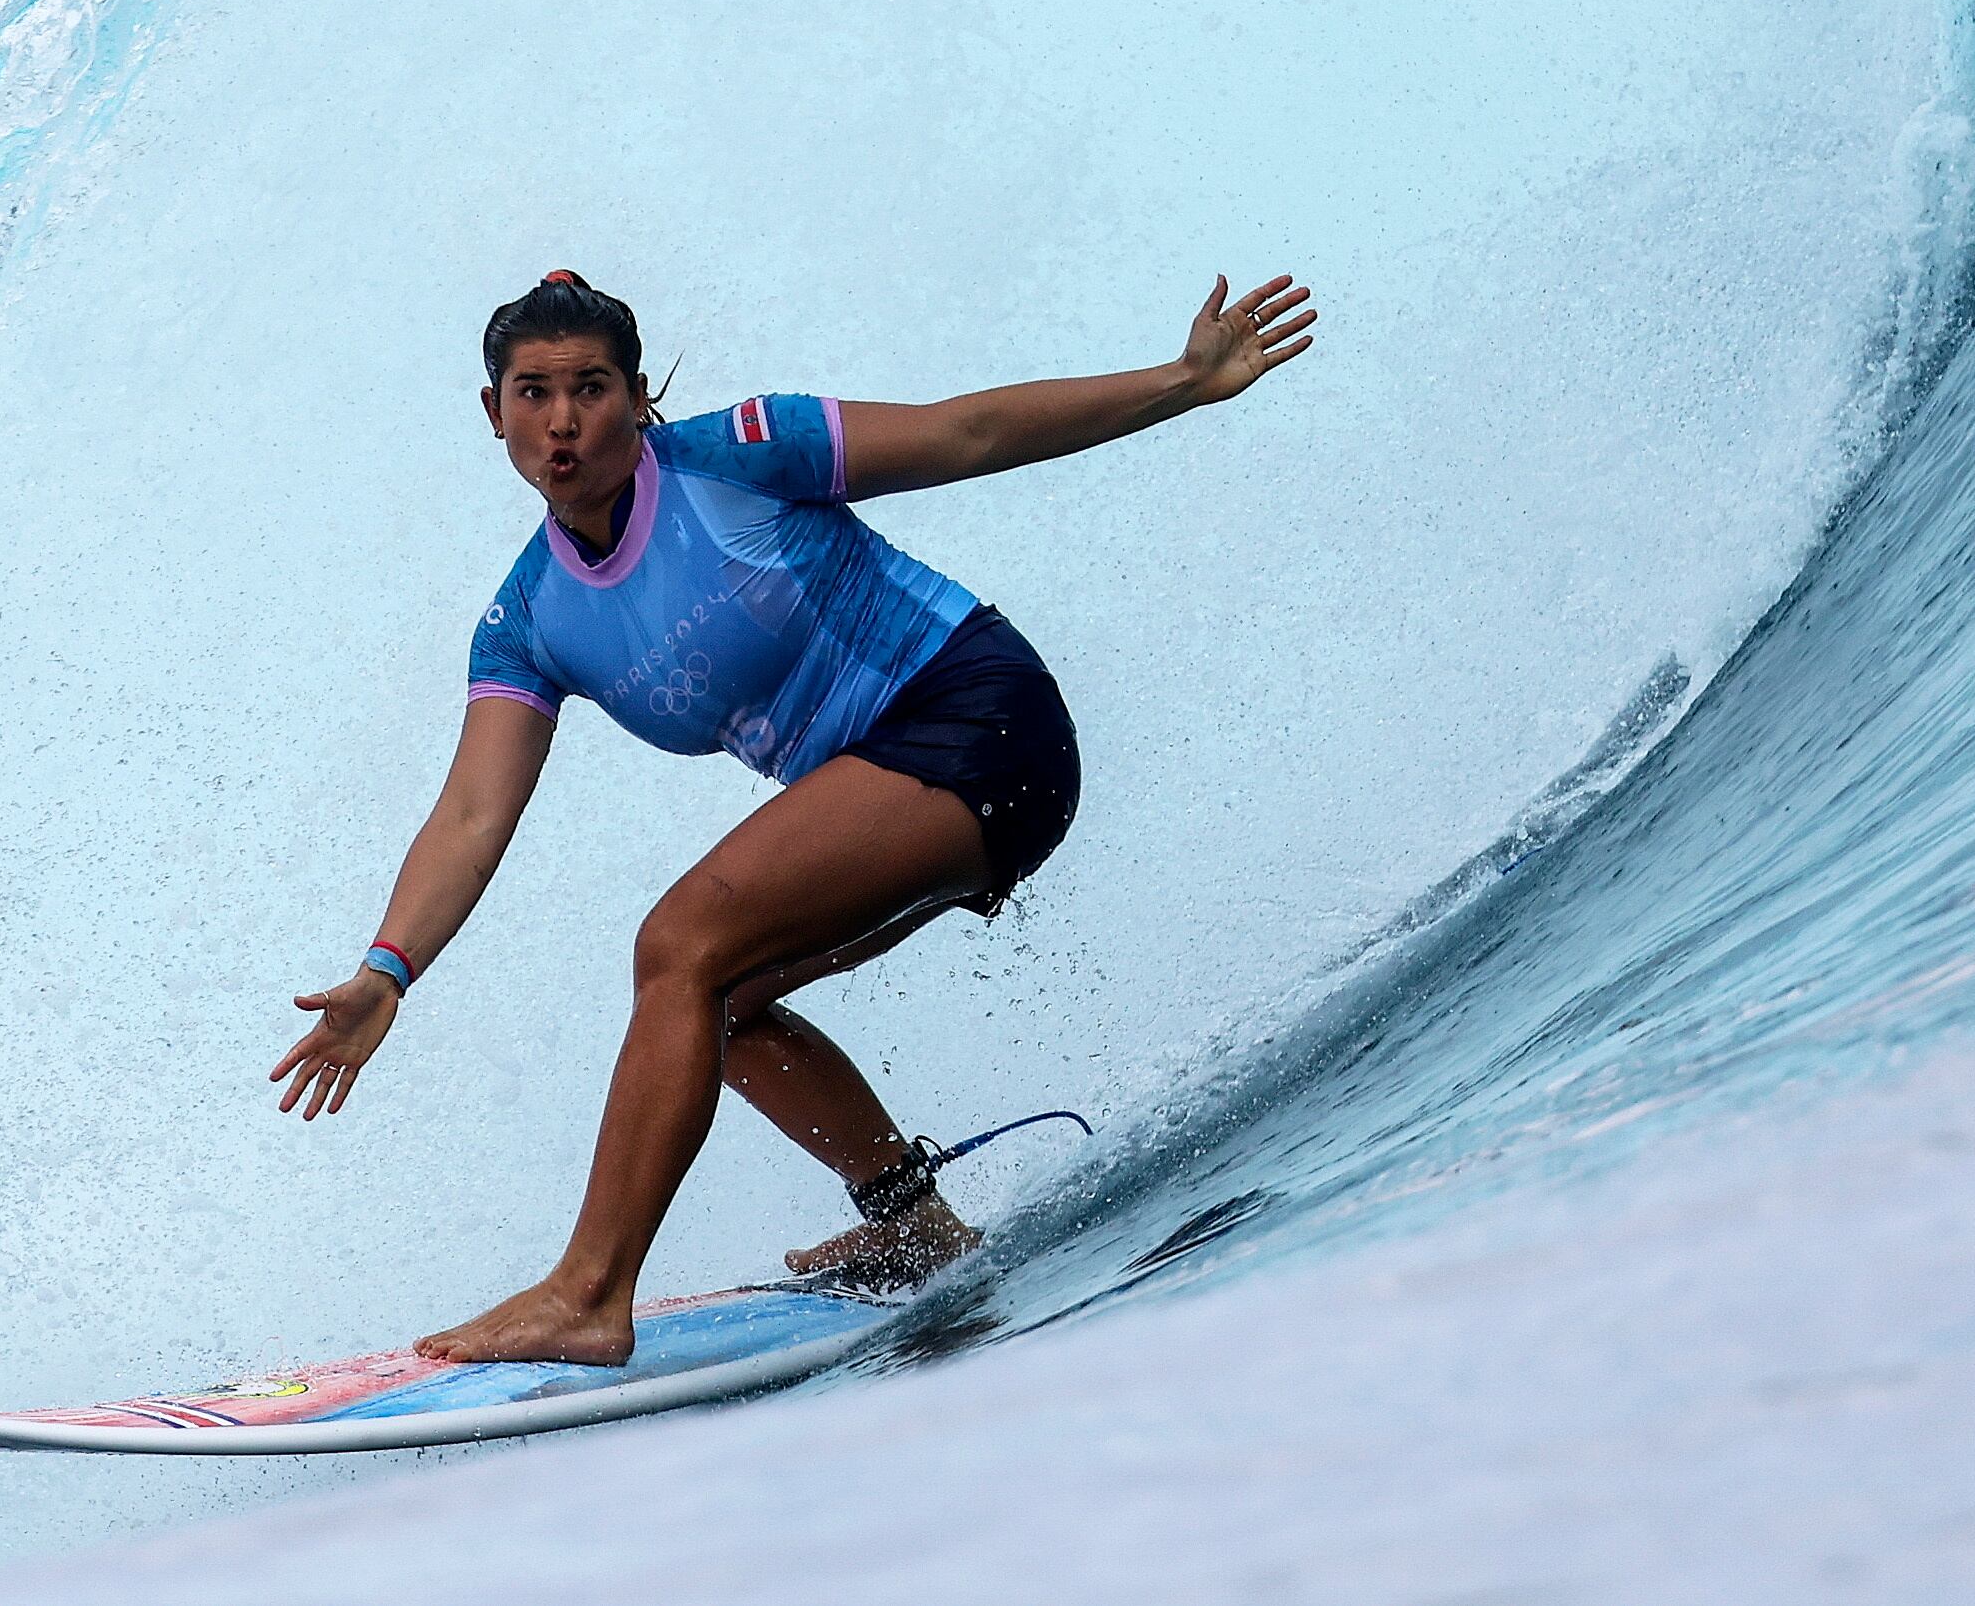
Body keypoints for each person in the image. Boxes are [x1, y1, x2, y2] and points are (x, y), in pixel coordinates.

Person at [265, 265, 1319, 1365]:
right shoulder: (530, 618)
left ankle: (588, 1289)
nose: (563, 418)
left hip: (978, 714)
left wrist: (1182, 382)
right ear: (494, 414)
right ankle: (914, 1225)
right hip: (896, 776)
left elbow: (967, 432)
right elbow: (474, 812)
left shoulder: (744, 451)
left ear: (636, 395)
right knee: (713, 1002)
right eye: (532, 392)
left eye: (591, 386)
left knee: (680, 948)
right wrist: (388, 969)